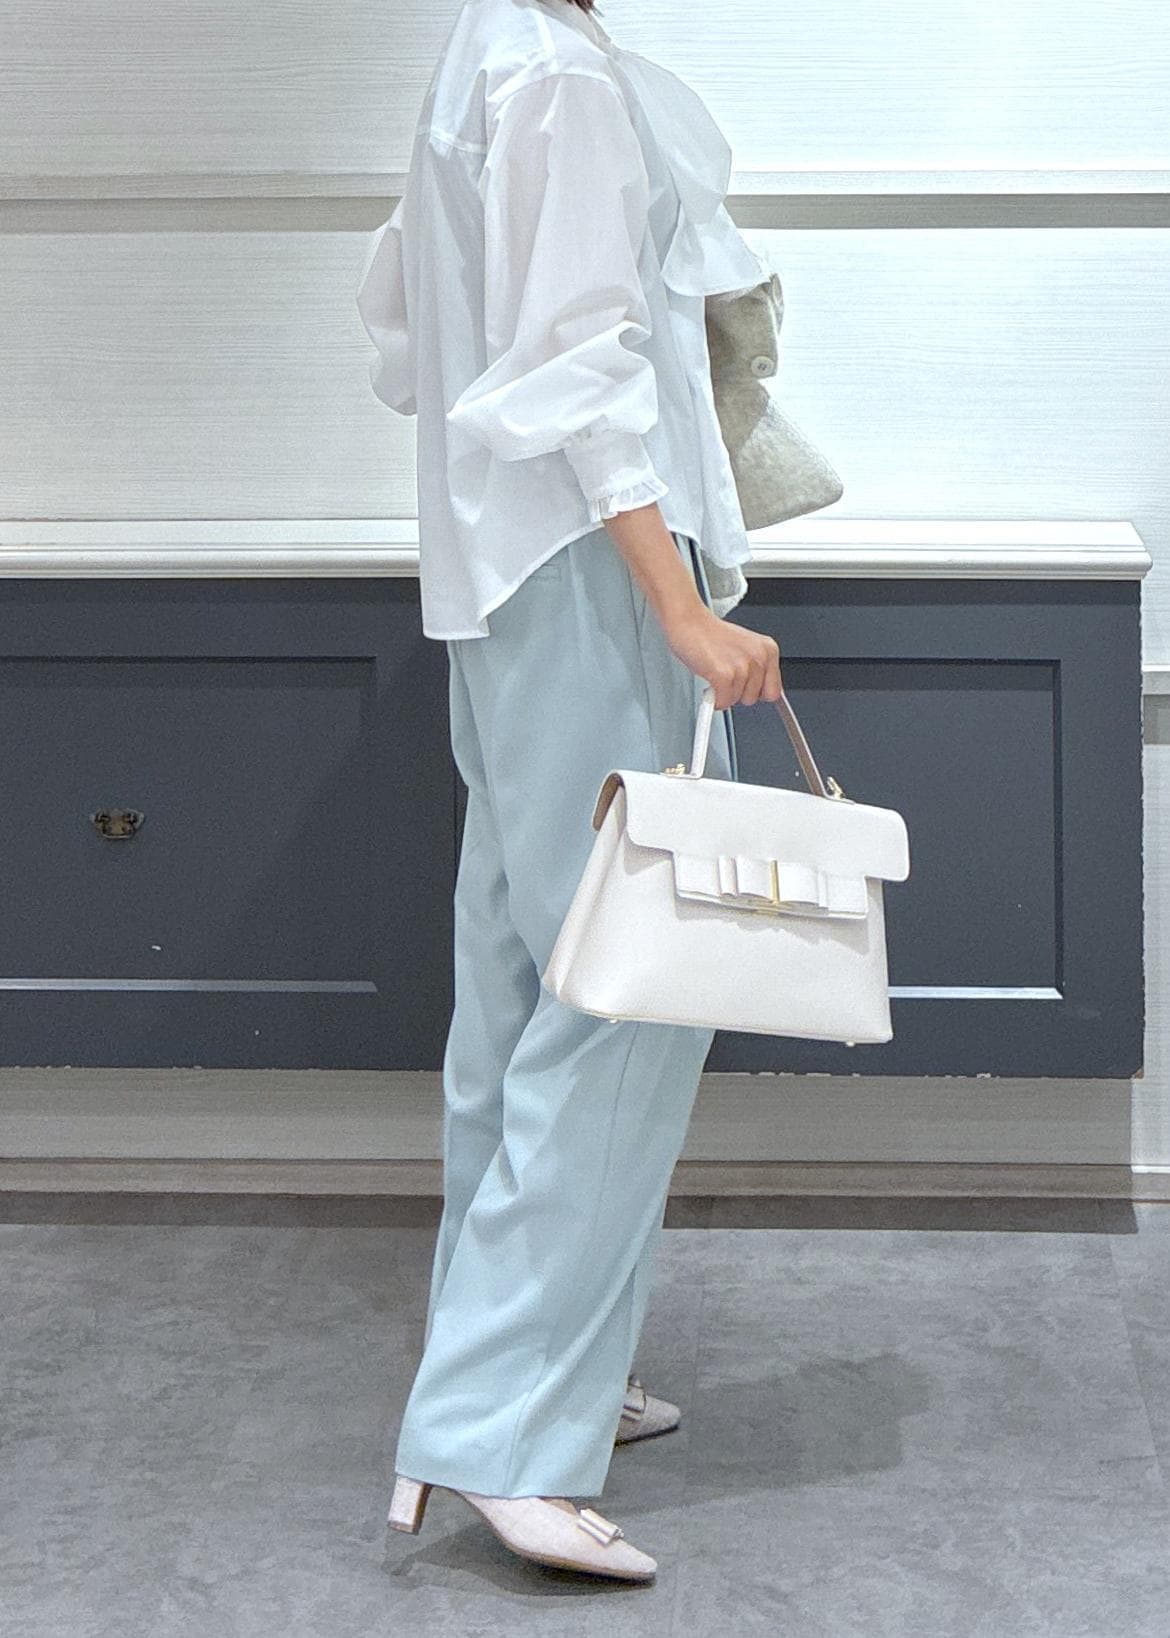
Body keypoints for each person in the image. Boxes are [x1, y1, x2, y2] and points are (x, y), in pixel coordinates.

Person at [357, 0, 780, 1583]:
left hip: (501, 581)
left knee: (526, 991)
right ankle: (504, 1428)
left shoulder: (485, 51)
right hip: (589, 584)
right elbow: (585, 362)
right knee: (622, 997)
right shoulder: (555, 77)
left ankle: (517, 1381)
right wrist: (676, 603)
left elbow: (408, 322)